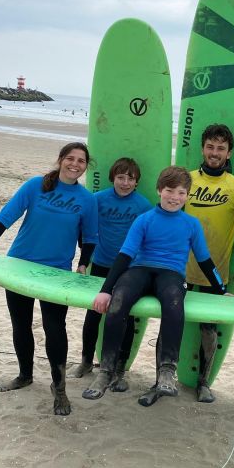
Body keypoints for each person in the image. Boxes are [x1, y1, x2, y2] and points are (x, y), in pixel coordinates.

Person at [0, 143, 99, 416]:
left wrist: (83, 265)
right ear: (61, 160)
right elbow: (5, 218)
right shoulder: (35, 186)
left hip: (57, 273)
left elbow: (90, 238)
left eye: (81, 161)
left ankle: (59, 386)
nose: (75, 164)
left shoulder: (87, 200)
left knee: (55, 328)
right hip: (19, 266)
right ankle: (25, 375)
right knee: (21, 324)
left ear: (86, 166)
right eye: (70, 159)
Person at [89, 166, 227, 407]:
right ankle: (106, 370)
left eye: (181, 193)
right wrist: (105, 289)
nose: (175, 197)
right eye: (170, 190)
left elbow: (205, 260)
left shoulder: (191, 224)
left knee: (175, 302)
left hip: (171, 274)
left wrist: (222, 290)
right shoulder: (144, 220)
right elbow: (125, 255)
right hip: (140, 270)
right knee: (118, 299)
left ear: (187, 196)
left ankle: (166, 370)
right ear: (159, 190)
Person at [67, 158, 152, 398]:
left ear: (137, 182)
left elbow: (148, 240)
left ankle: (120, 370)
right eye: (121, 177)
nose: (125, 183)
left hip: (130, 269)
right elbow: (86, 230)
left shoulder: (143, 206)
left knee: (126, 318)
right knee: (93, 314)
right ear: (112, 178)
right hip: (102, 264)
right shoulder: (98, 200)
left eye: (130, 178)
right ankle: (85, 361)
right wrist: (83, 260)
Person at [185, 124, 234, 403]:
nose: (215, 153)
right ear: (202, 148)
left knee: (208, 329)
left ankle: (203, 382)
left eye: (221, 148)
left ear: (229, 153)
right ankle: (162, 376)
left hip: (215, 273)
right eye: (210, 147)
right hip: (179, 269)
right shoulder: (186, 181)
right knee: (171, 322)